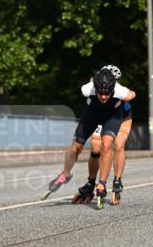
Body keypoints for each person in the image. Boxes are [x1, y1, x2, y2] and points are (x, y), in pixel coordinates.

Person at [42, 67, 136, 206]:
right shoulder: (88, 89)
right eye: (100, 93)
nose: (104, 97)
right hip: (93, 114)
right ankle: (66, 174)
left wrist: (130, 91)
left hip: (113, 117)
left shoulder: (120, 91)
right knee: (78, 147)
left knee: (110, 144)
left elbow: (132, 95)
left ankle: (104, 183)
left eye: (107, 93)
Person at [73, 64, 133, 204]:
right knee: (95, 147)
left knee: (118, 144)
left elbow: (127, 108)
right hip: (104, 117)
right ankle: (91, 183)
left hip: (123, 116)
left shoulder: (120, 92)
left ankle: (117, 181)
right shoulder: (97, 89)